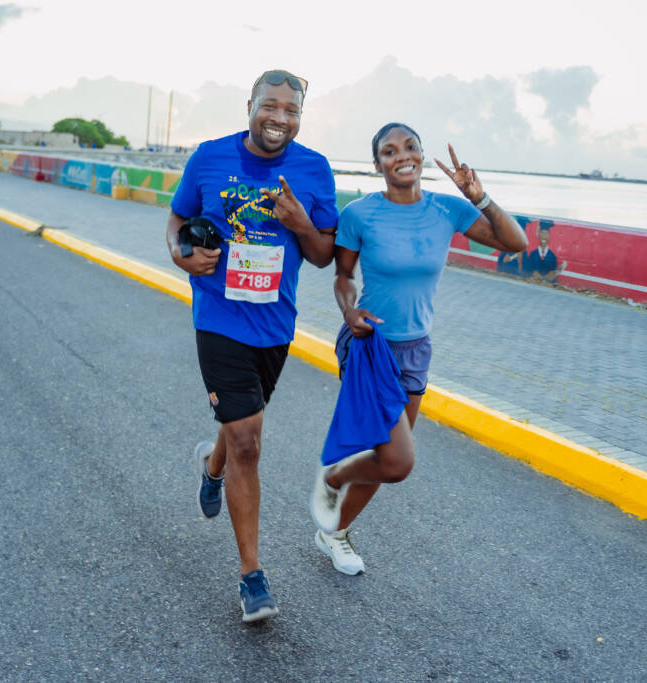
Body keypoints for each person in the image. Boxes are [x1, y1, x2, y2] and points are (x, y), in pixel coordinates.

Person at [309, 123, 528, 575]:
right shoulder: (360, 214)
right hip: (370, 344)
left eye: (410, 147)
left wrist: (478, 196)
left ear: (423, 156)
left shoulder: (447, 209)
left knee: (386, 460)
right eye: (389, 151)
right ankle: (334, 477)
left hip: (416, 348)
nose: (401, 156)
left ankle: (335, 532)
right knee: (397, 461)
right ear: (377, 165)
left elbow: (515, 242)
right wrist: (349, 311)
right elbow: (343, 275)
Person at [165, 69, 338, 622]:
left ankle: (211, 467)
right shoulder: (209, 157)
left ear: (300, 116)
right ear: (250, 106)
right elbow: (177, 219)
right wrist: (180, 255)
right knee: (247, 440)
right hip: (218, 318)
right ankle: (251, 577)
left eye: (291, 110)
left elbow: (323, 255)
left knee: (241, 426)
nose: (280, 118)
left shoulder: (314, 169)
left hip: (274, 327)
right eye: (271, 106)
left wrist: (301, 223)